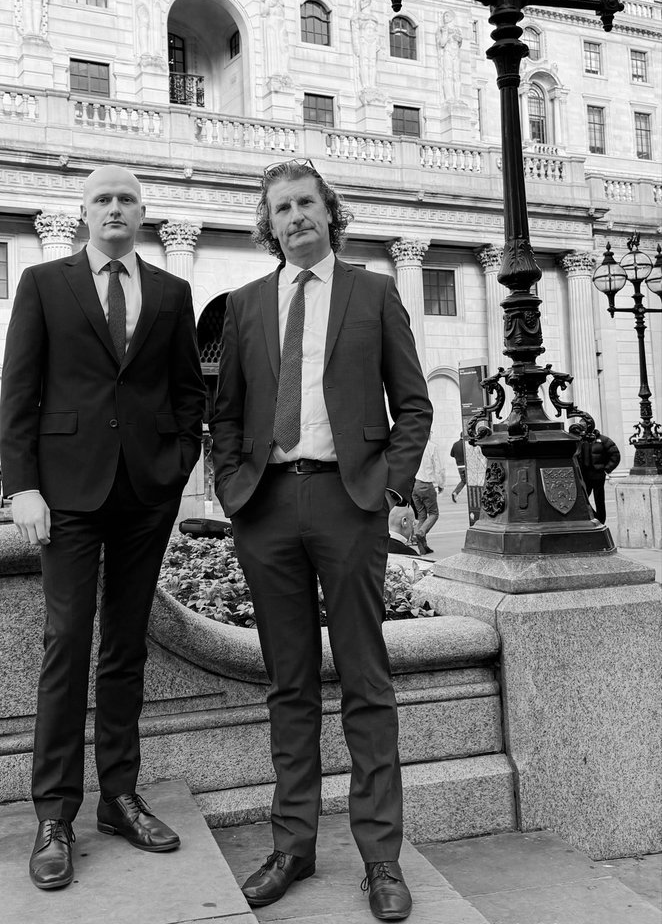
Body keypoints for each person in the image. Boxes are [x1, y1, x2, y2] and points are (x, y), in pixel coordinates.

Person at [211, 158, 431, 922]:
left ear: (331, 213)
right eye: (282, 207)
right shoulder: (243, 305)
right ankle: (293, 845)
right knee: (289, 685)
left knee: (367, 683)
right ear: (267, 224)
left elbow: (413, 404)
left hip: (349, 500)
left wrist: (391, 488)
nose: (296, 216)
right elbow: (226, 412)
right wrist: (230, 482)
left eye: (307, 203)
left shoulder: (374, 292)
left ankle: (380, 859)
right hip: (266, 505)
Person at [0, 165, 205, 892]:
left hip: (145, 492)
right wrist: (20, 484)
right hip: (67, 494)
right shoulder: (44, 284)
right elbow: (20, 387)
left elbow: (188, 391)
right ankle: (55, 813)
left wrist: (177, 466)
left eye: (126, 199)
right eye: (102, 199)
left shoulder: (173, 293)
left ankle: (119, 796)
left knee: (125, 648)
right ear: (83, 213)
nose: (115, 209)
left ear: (143, 213)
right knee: (66, 645)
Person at [570, 424, 621, 525]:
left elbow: (615, 455)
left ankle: (601, 521)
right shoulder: (580, 441)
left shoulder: (603, 440)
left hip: (598, 475)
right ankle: (594, 517)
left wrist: (606, 469)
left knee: (599, 501)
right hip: (584, 476)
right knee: (583, 499)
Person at [411, 432, 445, 556]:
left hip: (415, 485)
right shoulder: (432, 447)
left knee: (421, 515)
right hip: (426, 484)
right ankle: (421, 532)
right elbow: (439, 469)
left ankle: (423, 547)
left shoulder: (414, 447)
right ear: (429, 435)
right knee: (434, 513)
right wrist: (441, 484)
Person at [449, 434, 467, 503]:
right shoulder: (466, 444)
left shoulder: (455, 444)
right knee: (469, 482)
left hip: (459, 466)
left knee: (464, 480)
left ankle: (455, 492)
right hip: (467, 466)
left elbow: (451, 454)